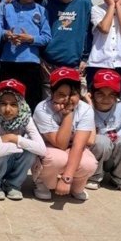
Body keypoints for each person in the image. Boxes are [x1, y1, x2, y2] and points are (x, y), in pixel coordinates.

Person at [31, 67, 97, 201]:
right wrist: (68, 115)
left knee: (89, 163)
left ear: (79, 93)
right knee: (57, 158)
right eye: (61, 94)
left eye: (72, 94)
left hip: (72, 148)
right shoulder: (42, 109)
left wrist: (66, 179)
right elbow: (60, 144)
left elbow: (79, 145)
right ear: (52, 92)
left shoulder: (85, 109)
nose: (67, 99)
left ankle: (74, 185)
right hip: (51, 149)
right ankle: (42, 182)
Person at [0, 79, 46, 201]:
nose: (7, 109)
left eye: (13, 104)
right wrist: (22, 144)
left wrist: (13, 138)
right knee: (1, 153)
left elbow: (42, 149)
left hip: (12, 159)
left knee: (30, 153)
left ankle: (12, 185)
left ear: (21, 104)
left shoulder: (25, 117)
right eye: (3, 104)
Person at [0, 0, 51, 110]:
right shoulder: (7, 8)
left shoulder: (41, 10)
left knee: (31, 100)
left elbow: (47, 37)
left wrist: (30, 39)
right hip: (8, 62)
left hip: (31, 63)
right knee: (7, 99)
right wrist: (7, 35)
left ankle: (30, 130)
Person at [41, 0, 93, 93]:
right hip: (49, 63)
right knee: (50, 104)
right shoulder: (48, 2)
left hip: (74, 63)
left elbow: (89, 31)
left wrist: (85, 58)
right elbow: (42, 29)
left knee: (72, 102)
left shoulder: (84, 2)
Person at [84, 70, 121, 193]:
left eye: (111, 94)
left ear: (118, 95)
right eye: (100, 94)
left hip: (119, 153)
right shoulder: (86, 107)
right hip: (98, 152)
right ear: (91, 93)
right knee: (101, 140)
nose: (106, 99)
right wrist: (89, 106)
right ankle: (94, 176)